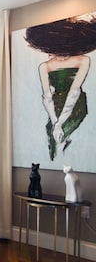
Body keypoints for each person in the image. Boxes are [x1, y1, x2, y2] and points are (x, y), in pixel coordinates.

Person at [25, 13, 96, 160]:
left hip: (76, 105)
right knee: (52, 137)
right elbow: (47, 96)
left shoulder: (83, 60)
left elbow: (74, 91)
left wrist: (60, 122)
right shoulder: (45, 66)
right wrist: (54, 121)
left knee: (65, 135)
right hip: (55, 106)